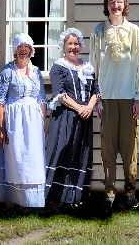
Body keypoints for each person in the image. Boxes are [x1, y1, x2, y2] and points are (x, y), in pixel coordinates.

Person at [91, 0, 139, 210]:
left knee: (129, 147)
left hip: (129, 97)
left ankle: (130, 192)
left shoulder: (134, 31)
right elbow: (94, 67)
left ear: (125, 4)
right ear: (106, 5)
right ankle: (109, 192)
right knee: (108, 148)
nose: (116, 5)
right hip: (107, 98)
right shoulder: (98, 32)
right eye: (112, 2)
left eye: (119, 2)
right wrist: (97, 98)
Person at [45, 28, 100, 210]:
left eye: (76, 44)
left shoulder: (88, 67)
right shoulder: (58, 66)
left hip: (84, 117)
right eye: (70, 43)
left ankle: (74, 197)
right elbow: (59, 93)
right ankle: (53, 198)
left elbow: (96, 92)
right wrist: (79, 108)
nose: (73, 47)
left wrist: (89, 107)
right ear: (63, 46)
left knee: (79, 154)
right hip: (65, 116)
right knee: (62, 151)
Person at [0, 33, 47, 210]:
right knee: (15, 159)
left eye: (27, 46)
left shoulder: (36, 72)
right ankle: (11, 202)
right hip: (14, 121)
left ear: (31, 50)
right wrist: (1, 127)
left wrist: (43, 125)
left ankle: (29, 203)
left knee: (32, 161)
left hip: (34, 123)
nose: (23, 50)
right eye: (20, 46)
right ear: (15, 49)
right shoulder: (7, 71)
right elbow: (0, 101)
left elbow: (42, 100)